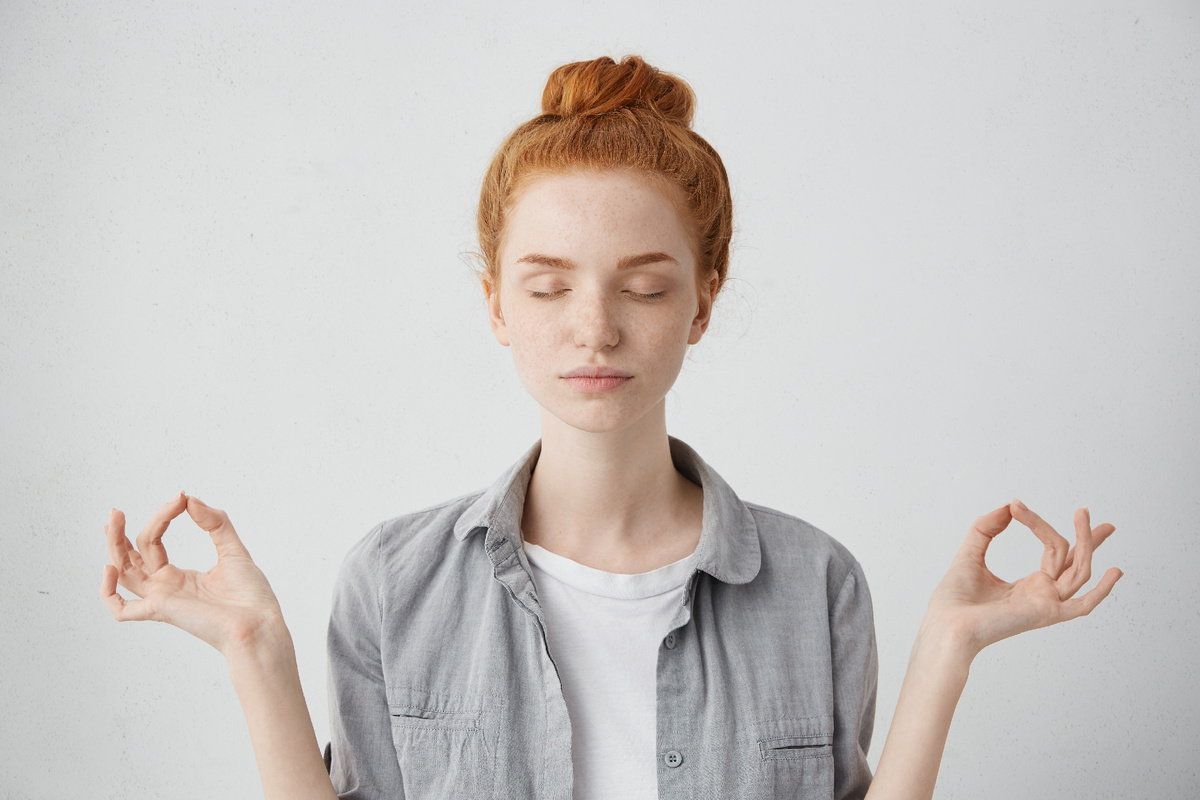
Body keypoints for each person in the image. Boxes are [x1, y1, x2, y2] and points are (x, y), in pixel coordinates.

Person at [99, 55, 1122, 800]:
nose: (594, 327)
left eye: (644, 285)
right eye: (547, 287)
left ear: (703, 303)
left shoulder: (817, 582)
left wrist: (948, 645)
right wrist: (251, 643)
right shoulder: (393, 580)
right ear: (497, 304)